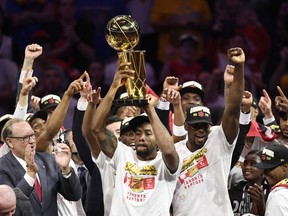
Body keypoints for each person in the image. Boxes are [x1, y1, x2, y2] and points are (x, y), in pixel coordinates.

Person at [87, 61, 181, 215]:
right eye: (138, 133)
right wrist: (114, 86)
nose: (141, 138)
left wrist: (150, 111)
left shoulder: (166, 163)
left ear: (158, 139)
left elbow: (169, 151)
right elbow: (96, 128)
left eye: (148, 133)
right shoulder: (123, 154)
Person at [172, 47, 245, 215]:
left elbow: (233, 109)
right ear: (186, 126)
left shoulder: (218, 138)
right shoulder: (175, 151)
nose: (201, 130)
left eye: (204, 125)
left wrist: (239, 68)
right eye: (196, 125)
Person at [0, 118, 82, 215]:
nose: (31, 141)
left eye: (32, 136)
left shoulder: (49, 160)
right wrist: (30, 175)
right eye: (25, 138)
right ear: (10, 142)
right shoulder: (2, 167)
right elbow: (10, 206)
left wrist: (66, 170)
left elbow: (74, 195)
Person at [229, 150, 270, 216]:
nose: (247, 167)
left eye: (253, 164)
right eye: (245, 164)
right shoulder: (233, 192)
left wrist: (261, 205)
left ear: (264, 168)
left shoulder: (271, 193)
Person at [255, 144, 288, 216]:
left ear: (285, 167)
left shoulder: (279, 195)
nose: (266, 173)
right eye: (265, 169)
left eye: (270, 169)